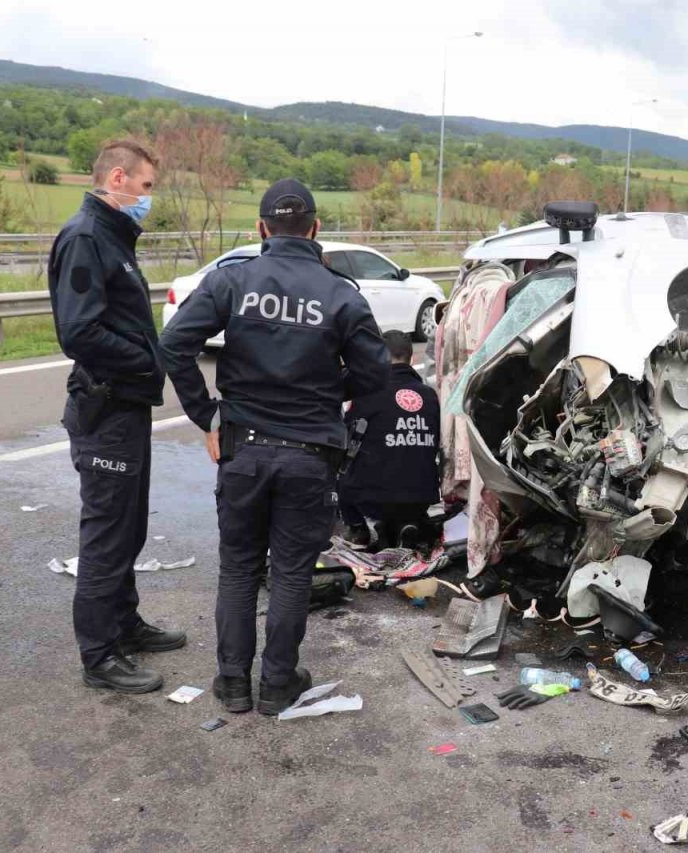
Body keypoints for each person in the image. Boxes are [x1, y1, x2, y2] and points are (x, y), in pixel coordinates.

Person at [159, 179, 391, 715]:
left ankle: (233, 682)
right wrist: (332, 394)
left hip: (243, 449)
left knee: (239, 568)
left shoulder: (232, 281)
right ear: (315, 230)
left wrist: (206, 415)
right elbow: (375, 377)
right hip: (309, 456)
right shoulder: (341, 293)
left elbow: (173, 344)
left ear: (261, 229)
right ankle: (277, 683)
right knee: (290, 571)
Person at [48, 139, 186, 695]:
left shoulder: (112, 236)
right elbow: (78, 332)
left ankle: (124, 624)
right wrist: (148, 358)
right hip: (105, 407)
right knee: (106, 534)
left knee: (129, 526)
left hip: (126, 407)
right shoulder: (86, 238)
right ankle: (99, 655)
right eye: (147, 187)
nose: (149, 199)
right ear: (120, 178)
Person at [338, 330, 441, 550]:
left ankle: (359, 529)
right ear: (412, 359)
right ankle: (408, 523)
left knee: (341, 466)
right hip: (423, 495)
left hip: (376, 500)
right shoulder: (431, 396)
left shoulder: (367, 392)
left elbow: (347, 436)